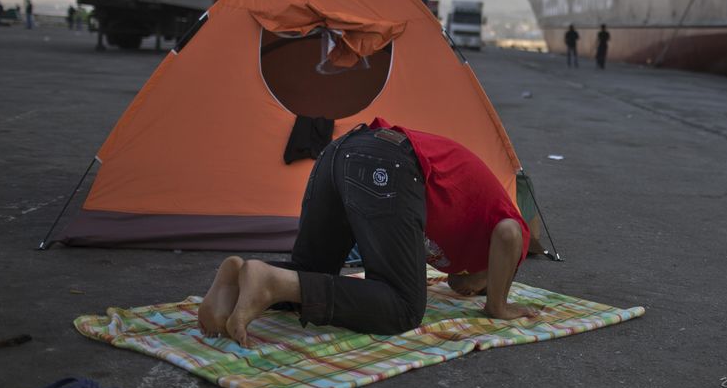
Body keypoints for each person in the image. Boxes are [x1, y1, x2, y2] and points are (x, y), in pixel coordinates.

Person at [198, 119, 537, 346]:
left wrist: (470, 283)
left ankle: (240, 278)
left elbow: (457, 282)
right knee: (404, 306)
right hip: (388, 163)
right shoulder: (504, 229)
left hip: (341, 152)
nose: (469, 291)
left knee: (312, 272)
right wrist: (497, 304)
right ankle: (273, 283)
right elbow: (509, 235)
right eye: (484, 287)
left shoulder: (465, 238)